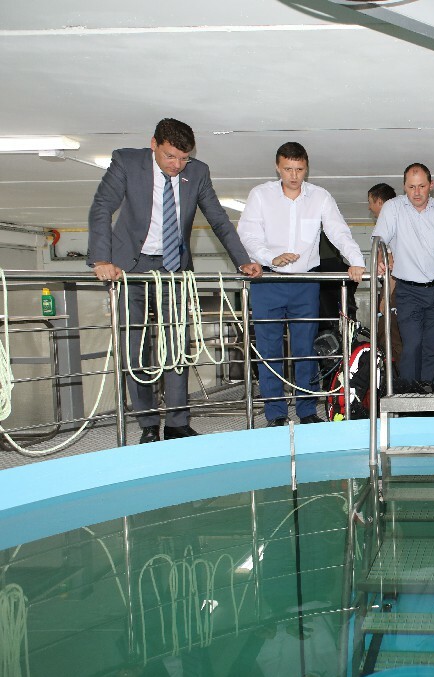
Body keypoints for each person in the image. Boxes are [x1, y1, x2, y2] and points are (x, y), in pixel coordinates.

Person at [87, 118, 262, 444]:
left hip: (174, 269)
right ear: (154, 144)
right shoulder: (126, 161)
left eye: (184, 158)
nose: (177, 165)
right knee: (136, 349)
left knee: (177, 347)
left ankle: (178, 422)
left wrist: (243, 260)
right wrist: (101, 260)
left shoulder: (197, 172)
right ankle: (148, 424)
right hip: (129, 268)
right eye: (170, 156)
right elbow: (101, 208)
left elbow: (218, 219)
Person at [237, 142, 366, 427]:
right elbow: (247, 235)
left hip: (305, 283)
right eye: (288, 169)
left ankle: (307, 410)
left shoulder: (320, 197)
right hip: (268, 280)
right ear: (277, 167)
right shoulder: (260, 195)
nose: (294, 176)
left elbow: (338, 232)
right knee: (269, 351)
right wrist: (271, 257)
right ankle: (275, 414)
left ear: (306, 168)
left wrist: (356, 261)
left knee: (306, 349)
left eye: (299, 169)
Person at [371, 163, 434, 393]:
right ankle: (408, 394)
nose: (417, 192)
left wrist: (432, 265)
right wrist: (381, 258)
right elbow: (379, 241)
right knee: (412, 344)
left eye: (421, 186)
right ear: (404, 187)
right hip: (408, 290)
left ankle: (430, 393)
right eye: (411, 187)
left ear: (431, 185)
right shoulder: (392, 208)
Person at [368, 182, 402, 371]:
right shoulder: (394, 223)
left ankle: (394, 378)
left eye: (370, 202)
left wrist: (385, 297)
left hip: (393, 287)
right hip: (390, 286)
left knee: (388, 332)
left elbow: (394, 264)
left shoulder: (393, 225)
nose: (369, 207)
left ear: (380, 202)